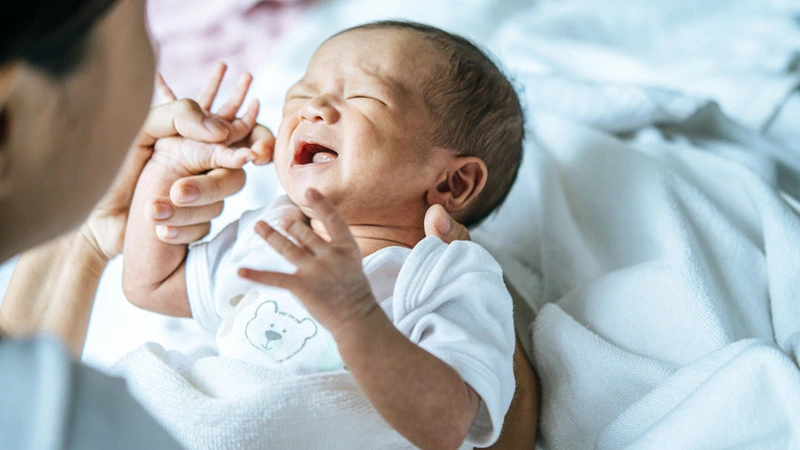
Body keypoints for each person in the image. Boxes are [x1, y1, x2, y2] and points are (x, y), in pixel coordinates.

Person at [0, 0, 536, 446]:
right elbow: (151, 285)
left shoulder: (443, 273)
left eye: (364, 97)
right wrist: (160, 171)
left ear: (453, 184)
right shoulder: (272, 229)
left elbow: (453, 425)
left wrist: (355, 314)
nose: (314, 108)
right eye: (301, 93)